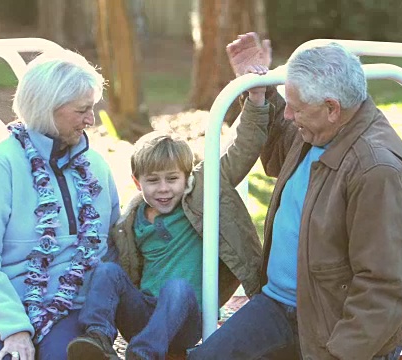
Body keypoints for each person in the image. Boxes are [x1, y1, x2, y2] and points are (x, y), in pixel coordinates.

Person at [188, 33, 402, 360]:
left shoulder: (375, 172)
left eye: (295, 107)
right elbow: (281, 147)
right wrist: (258, 94)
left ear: (331, 108)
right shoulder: (322, 130)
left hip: (333, 328)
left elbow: (384, 292)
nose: (290, 115)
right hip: (279, 306)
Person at [66, 62, 269, 359]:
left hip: (187, 318)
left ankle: (144, 354)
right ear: (137, 182)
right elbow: (113, 276)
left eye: (172, 179)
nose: (163, 189)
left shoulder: (202, 192)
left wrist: (256, 100)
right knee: (107, 270)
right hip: (143, 316)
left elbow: (242, 149)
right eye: (152, 181)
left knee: (177, 287)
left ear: (187, 177)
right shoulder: (130, 222)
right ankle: (97, 338)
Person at [0, 49, 121, 360]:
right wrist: (14, 329)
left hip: (72, 306)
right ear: (49, 108)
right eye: (82, 110)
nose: (91, 119)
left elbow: (114, 245)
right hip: (2, 308)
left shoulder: (96, 166)